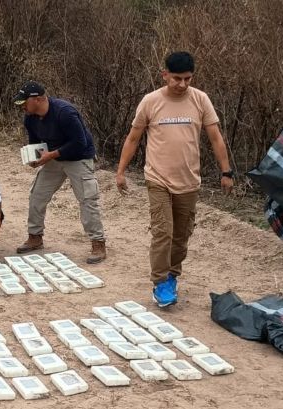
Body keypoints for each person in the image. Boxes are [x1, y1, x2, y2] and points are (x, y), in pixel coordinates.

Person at [115, 51, 233, 308]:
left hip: (189, 180)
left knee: (181, 235)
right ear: (165, 74)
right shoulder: (151, 101)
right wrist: (121, 172)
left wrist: (226, 172)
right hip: (157, 178)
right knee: (163, 233)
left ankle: (171, 276)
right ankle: (159, 283)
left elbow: (215, 137)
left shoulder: (200, 100)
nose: (182, 84)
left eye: (187, 79)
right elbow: (134, 138)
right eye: (177, 78)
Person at [12, 81, 107, 264]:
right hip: (54, 159)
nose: (22, 106)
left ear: (38, 99)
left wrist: (51, 155)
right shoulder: (30, 117)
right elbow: (35, 141)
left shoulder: (65, 113)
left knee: (87, 199)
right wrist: (35, 158)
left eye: (25, 102)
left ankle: (98, 242)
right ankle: (35, 236)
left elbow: (79, 142)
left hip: (78, 157)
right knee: (37, 195)